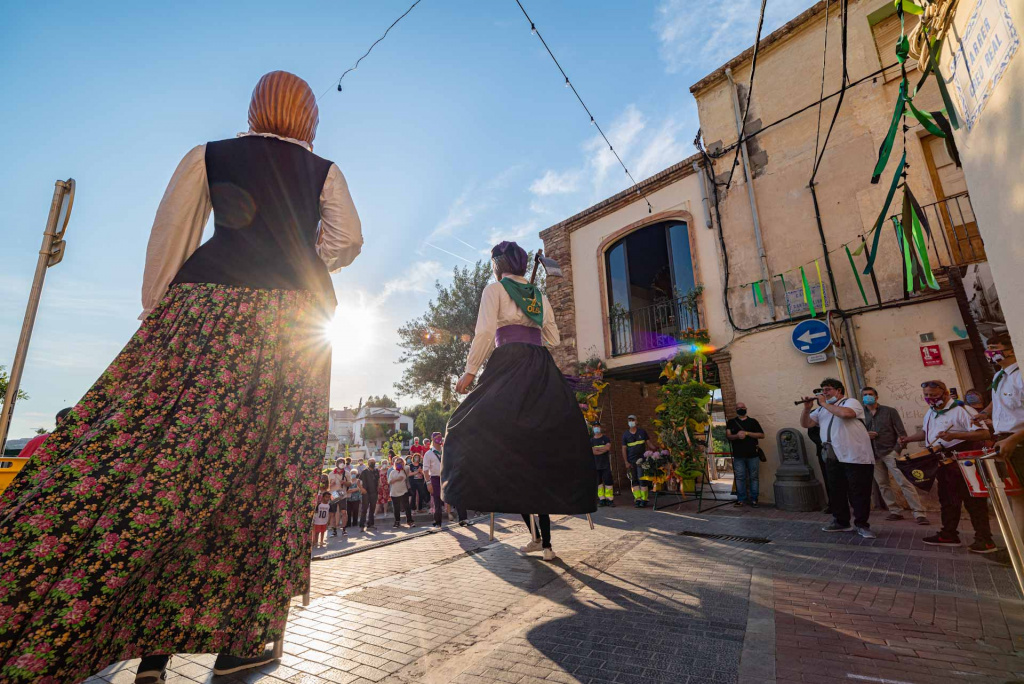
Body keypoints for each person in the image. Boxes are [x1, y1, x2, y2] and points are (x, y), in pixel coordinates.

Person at [0, 70, 363, 684]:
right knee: (267, 478)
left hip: (207, 313)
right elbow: (349, 240)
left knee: (161, 465)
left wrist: (156, 310)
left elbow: (172, 233)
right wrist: (305, 257)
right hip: (295, 325)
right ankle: (245, 640)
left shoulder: (209, 155)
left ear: (254, 109)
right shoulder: (324, 170)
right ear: (308, 118)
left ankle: (141, 644)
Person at [444, 241, 596, 562]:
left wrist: (470, 372)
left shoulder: (495, 290)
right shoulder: (537, 296)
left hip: (509, 364)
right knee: (538, 448)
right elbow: (553, 338)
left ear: (499, 266)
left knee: (461, 426)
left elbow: (485, 333)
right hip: (540, 366)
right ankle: (543, 541)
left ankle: (483, 499)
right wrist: (532, 313)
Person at [900, 380, 996, 552]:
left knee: (973, 501)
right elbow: (926, 432)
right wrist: (909, 439)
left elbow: (984, 432)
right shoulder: (931, 412)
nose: (930, 399)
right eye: (926, 396)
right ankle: (949, 534)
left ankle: (985, 539)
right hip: (942, 461)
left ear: (945, 394)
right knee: (948, 500)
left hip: (963, 461)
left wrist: (954, 435)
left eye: (934, 395)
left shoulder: (962, 410)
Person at [800, 378, 877, 538]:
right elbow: (806, 424)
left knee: (859, 492)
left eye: (827, 389)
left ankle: (862, 524)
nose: (824, 393)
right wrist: (807, 409)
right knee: (836, 491)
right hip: (833, 456)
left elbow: (845, 414)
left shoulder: (851, 402)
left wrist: (824, 404)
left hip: (855, 455)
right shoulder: (822, 410)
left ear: (839, 391)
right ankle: (841, 522)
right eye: (822, 390)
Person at [861, 387, 928, 525]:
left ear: (877, 397)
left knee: (904, 482)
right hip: (872, 454)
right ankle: (894, 511)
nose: (868, 397)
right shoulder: (860, 414)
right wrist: (865, 435)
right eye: (865, 395)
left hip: (890, 452)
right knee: (883, 484)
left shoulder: (889, 411)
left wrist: (896, 450)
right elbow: (856, 434)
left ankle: (919, 512)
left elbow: (901, 432)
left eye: (870, 394)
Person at [974, 333, 1024, 481]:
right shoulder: (999, 376)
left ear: (1012, 350)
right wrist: (984, 413)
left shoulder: (1020, 376)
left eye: (994, 348)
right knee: (1014, 492)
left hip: (1019, 440)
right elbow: (998, 399)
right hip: (1004, 440)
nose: (989, 352)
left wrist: (1013, 440)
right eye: (988, 348)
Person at [726, 402, 765, 508]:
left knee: (754, 477)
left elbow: (761, 435)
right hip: (738, 455)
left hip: (753, 454)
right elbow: (728, 436)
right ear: (736, 410)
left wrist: (747, 433)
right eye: (738, 408)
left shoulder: (753, 422)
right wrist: (737, 436)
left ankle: (754, 499)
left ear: (746, 409)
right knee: (740, 477)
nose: (740, 409)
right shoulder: (731, 422)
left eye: (742, 407)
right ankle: (741, 499)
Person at [621, 414, 657, 508]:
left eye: (633, 420)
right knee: (634, 480)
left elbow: (649, 444)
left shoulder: (642, 432)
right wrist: (626, 462)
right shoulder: (625, 435)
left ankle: (644, 500)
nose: (631, 422)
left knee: (642, 479)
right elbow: (624, 449)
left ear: (636, 421)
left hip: (642, 461)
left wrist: (657, 449)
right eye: (629, 420)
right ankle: (638, 499)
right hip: (631, 461)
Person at [591, 422, 614, 507]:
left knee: (608, 481)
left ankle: (610, 499)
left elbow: (607, 448)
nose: (596, 428)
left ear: (600, 427)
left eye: (597, 426)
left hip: (605, 465)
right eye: (594, 426)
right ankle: (602, 499)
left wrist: (597, 449)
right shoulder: (591, 440)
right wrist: (602, 449)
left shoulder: (605, 438)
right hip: (596, 465)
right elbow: (592, 452)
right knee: (598, 483)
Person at [424, 433, 445, 527]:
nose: (439, 439)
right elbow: (425, 470)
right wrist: (428, 483)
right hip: (435, 478)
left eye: (440, 437)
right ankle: (438, 520)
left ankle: (461, 518)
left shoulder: (445, 451)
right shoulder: (428, 453)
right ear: (432, 438)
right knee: (437, 500)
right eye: (436, 437)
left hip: (445, 477)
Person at [388, 457, 415, 528]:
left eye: (400, 462)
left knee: (407, 507)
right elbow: (389, 481)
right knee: (396, 508)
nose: (398, 464)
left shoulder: (405, 471)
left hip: (404, 491)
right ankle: (397, 521)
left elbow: (408, 467)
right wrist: (397, 479)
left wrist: (403, 465)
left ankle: (410, 521)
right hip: (394, 492)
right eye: (397, 463)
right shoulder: (392, 472)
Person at [327, 458, 348, 536]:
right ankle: (334, 530)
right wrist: (330, 485)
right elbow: (326, 486)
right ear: (337, 464)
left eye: (343, 462)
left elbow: (350, 484)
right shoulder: (331, 474)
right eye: (340, 462)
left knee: (344, 512)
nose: (342, 464)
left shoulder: (347, 473)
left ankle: (344, 529)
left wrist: (345, 483)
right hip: (333, 495)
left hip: (342, 494)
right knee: (332, 513)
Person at [358, 459, 380, 530]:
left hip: (374, 492)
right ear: (368, 463)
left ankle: (370, 524)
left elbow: (378, 480)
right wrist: (362, 489)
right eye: (371, 462)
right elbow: (358, 481)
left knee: (372, 509)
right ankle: (362, 525)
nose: (372, 463)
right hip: (366, 493)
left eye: (373, 462)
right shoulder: (364, 472)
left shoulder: (376, 471)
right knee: (364, 509)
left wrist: (379, 488)